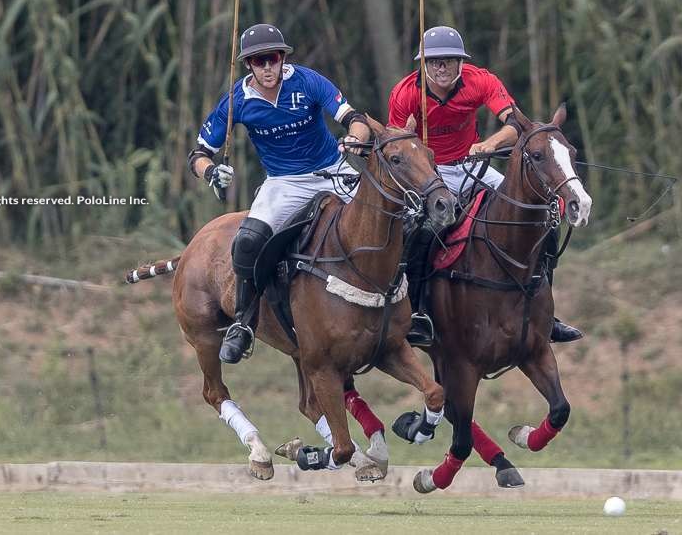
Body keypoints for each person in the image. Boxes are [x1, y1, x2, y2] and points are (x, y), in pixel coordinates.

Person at [388, 25, 582, 346]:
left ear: (461, 63)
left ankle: (545, 310)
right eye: (434, 61)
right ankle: (418, 313)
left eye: (449, 60)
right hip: (430, 174)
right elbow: (396, 146)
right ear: (423, 64)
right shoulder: (406, 93)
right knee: (421, 231)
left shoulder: (481, 81)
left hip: (473, 165)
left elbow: (515, 126)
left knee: (541, 214)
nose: (441, 67)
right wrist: (408, 137)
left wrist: (489, 144)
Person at [188, 24, 371, 363]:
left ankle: (414, 304)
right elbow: (198, 155)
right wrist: (212, 173)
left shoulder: (308, 81)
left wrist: (355, 139)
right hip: (285, 182)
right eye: (258, 61)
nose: (267, 67)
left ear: (282, 58)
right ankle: (244, 322)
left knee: (395, 217)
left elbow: (355, 118)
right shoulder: (237, 102)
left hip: (334, 169)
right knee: (246, 242)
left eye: (272, 58)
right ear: (248, 65)